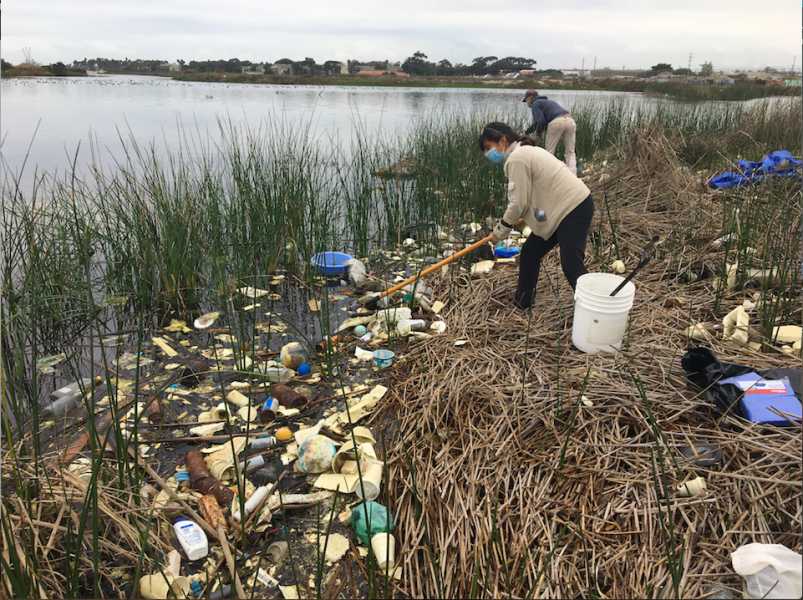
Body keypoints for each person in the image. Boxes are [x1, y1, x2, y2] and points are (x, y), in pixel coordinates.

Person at [479, 122, 594, 309]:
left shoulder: (517, 157)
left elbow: (518, 203)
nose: (487, 153)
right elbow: (531, 196)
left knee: (572, 266)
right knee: (530, 253)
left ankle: (594, 309)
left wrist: (501, 230)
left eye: (488, 147)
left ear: (502, 140)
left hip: (573, 208)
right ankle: (523, 303)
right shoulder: (524, 150)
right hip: (561, 211)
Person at [522, 89, 577, 175]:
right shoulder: (548, 101)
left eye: (526, 101)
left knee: (549, 152)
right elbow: (542, 122)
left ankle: (549, 176)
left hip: (557, 122)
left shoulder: (535, 104)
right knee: (570, 151)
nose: (527, 103)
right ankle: (573, 175)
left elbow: (540, 121)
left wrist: (526, 133)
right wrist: (539, 132)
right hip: (570, 121)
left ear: (528, 99)